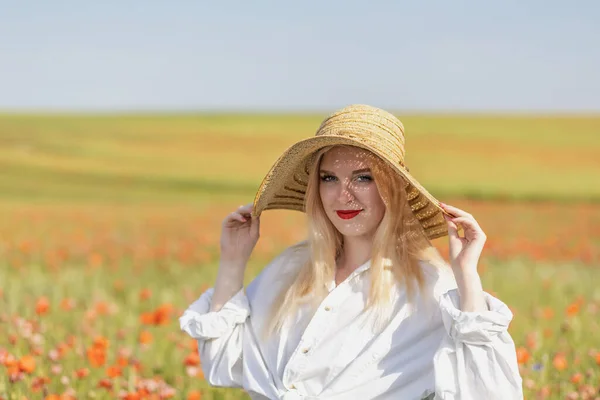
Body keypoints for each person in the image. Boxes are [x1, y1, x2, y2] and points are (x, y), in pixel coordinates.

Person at [180, 105, 524, 400]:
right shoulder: (291, 269)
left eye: (363, 178)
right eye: (329, 179)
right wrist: (232, 261)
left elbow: (490, 391)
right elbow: (224, 366)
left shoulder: (431, 287)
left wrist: (467, 276)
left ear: (393, 188)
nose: (343, 196)